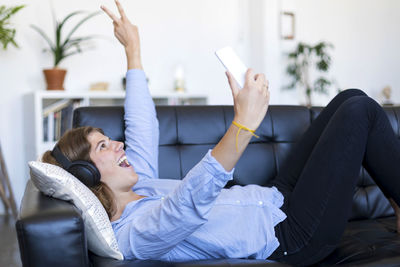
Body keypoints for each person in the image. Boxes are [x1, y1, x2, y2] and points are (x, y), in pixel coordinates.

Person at [41, 1, 400, 265]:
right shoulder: (131, 234)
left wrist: (133, 50)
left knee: (349, 97)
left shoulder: (140, 185)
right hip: (292, 236)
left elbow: (142, 125)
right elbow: (185, 208)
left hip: (276, 199)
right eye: (103, 145)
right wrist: (242, 123)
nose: (117, 143)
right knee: (360, 111)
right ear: (87, 174)